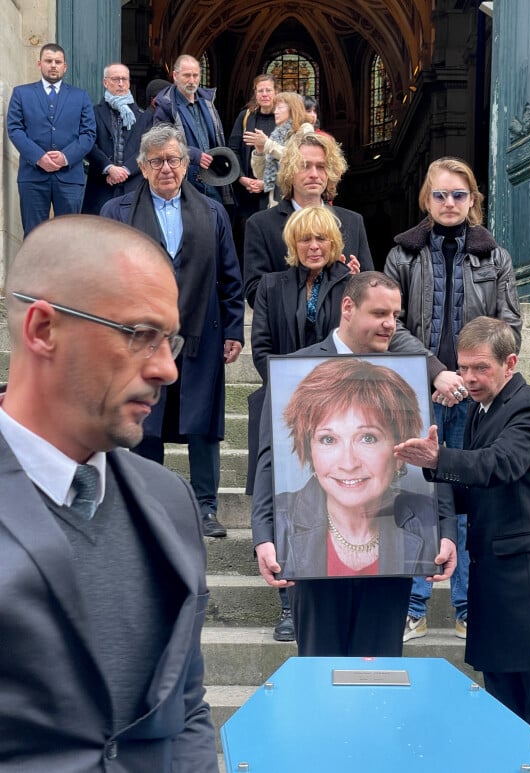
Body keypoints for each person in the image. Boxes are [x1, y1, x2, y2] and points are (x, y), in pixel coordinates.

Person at [0, 214, 218, 770]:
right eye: (141, 335)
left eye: (170, 340)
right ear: (43, 329)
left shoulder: (170, 502)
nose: (168, 369)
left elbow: (186, 707)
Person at [393, 316, 530, 773]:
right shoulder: (482, 409)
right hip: (496, 584)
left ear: (510, 363)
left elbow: (499, 465)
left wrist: (439, 459)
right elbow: (473, 486)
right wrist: (409, 493)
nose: (469, 379)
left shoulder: (529, 409)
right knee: (502, 712)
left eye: (480, 368)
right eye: (463, 368)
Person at [252, 271, 459, 657]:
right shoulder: (295, 370)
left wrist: (444, 528)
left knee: (380, 676)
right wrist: (264, 535)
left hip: (392, 562)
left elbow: (430, 457)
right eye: (380, 313)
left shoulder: (407, 375)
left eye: (396, 315)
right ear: (348, 308)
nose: (390, 325)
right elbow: (268, 460)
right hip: (312, 564)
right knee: (318, 676)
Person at [384, 156, 522, 642]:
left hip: (474, 397)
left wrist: (473, 376)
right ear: (427, 198)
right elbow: (390, 327)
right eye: (440, 195)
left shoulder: (495, 257)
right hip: (420, 394)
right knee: (421, 497)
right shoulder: (403, 255)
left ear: (472, 201)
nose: (449, 203)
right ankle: (415, 606)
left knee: (467, 501)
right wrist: (438, 373)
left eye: (458, 196)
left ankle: (466, 606)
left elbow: (509, 325)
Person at [101, 124, 244, 539]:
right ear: (142, 167)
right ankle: (147, 505)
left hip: (202, 331)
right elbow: (105, 279)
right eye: (157, 161)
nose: (167, 167)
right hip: (139, 340)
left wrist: (234, 328)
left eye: (174, 159)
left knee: (202, 423)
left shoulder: (213, 211)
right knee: (145, 419)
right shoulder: (118, 212)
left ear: (186, 165)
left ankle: (205, 508)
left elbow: (230, 277)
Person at [249, 205, 360, 641]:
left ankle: (324, 589)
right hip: (286, 406)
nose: (314, 246)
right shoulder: (272, 286)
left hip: (340, 409)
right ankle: (289, 606)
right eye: (305, 239)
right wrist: (291, 387)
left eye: (322, 239)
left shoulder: (352, 285)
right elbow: (261, 346)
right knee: (285, 499)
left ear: (334, 243)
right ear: (293, 245)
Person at [276, 358, 440, 578]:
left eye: (368, 438)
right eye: (328, 440)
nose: (348, 463)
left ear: (400, 451)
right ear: (310, 450)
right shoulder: (279, 519)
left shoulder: (428, 519)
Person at [243, 131, 374, 307]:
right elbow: (254, 293)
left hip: (339, 331)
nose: (314, 174)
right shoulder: (260, 225)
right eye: (304, 165)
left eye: (321, 166)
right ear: (289, 171)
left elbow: (370, 290)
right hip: (286, 331)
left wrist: (354, 281)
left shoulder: (353, 222)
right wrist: (309, 278)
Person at [7, 43, 96, 236]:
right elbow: (14, 129)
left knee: (70, 235)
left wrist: (65, 157)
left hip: (70, 177)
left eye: (58, 62)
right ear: (40, 64)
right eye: (48, 61)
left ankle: (68, 268)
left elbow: (89, 133)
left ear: (65, 66)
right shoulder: (22, 93)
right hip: (33, 175)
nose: (53, 65)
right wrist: (39, 157)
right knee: (34, 235)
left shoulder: (80, 96)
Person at [154, 54, 233, 209]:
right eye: (187, 75)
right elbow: (162, 142)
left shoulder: (208, 101)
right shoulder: (165, 105)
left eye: (195, 75)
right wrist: (194, 155)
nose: (192, 81)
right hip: (185, 180)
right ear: (175, 76)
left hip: (213, 179)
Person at [82, 63, 151, 215]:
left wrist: (125, 170)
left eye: (124, 79)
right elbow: (88, 144)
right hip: (101, 186)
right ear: (105, 82)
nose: (120, 83)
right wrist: (109, 168)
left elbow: (147, 149)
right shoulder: (92, 112)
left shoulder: (144, 116)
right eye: (115, 79)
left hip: (133, 186)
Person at [228, 74, 277, 258]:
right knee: (247, 241)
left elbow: (289, 156)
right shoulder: (246, 116)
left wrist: (266, 182)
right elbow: (233, 149)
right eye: (260, 90)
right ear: (255, 93)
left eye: (268, 90)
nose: (264, 94)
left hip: (274, 192)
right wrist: (240, 177)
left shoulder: (283, 117)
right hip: (246, 191)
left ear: (276, 92)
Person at [244, 91, 314, 208]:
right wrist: (259, 151)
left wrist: (267, 144)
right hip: (276, 202)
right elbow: (261, 175)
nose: (275, 111)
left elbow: (298, 158)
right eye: (275, 108)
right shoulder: (276, 135)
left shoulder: (305, 129)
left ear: (293, 109)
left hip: (297, 200)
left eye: (280, 108)